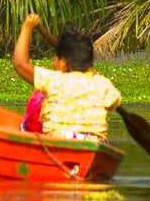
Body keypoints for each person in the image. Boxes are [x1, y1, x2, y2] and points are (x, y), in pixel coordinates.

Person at [13, 12, 123, 141]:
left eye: (55, 58)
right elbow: (114, 102)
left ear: (63, 62)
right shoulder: (102, 83)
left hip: (58, 140)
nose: (53, 62)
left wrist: (27, 28)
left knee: (38, 99)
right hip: (95, 143)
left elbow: (20, 64)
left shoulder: (54, 80)